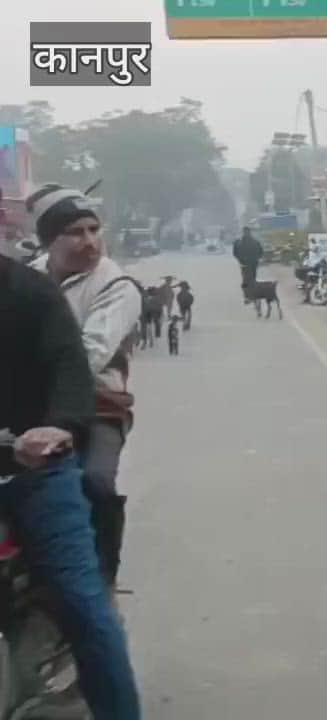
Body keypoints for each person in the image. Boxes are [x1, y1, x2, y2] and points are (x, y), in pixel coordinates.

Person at [0, 252, 142, 719]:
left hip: (32, 468)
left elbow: (71, 369)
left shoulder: (30, 293)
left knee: (83, 605)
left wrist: (56, 426)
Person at [27, 184, 143, 586]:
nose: (90, 241)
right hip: (30, 402)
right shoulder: (27, 277)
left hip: (98, 407)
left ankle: (103, 576)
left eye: (94, 229)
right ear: (49, 240)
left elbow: (89, 356)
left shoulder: (117, 286)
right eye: (75, 232)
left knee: (95, 481)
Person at [233, 226, 263, 302]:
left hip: (245, 264)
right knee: (252, 278)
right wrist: (257, 259)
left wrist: (240, 260)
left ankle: (247, 296)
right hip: (253, 263)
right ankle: (253, 294)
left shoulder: (238, 242)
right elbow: (261, 252)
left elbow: (235, 253)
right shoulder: (255, 241)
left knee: (246, 280)